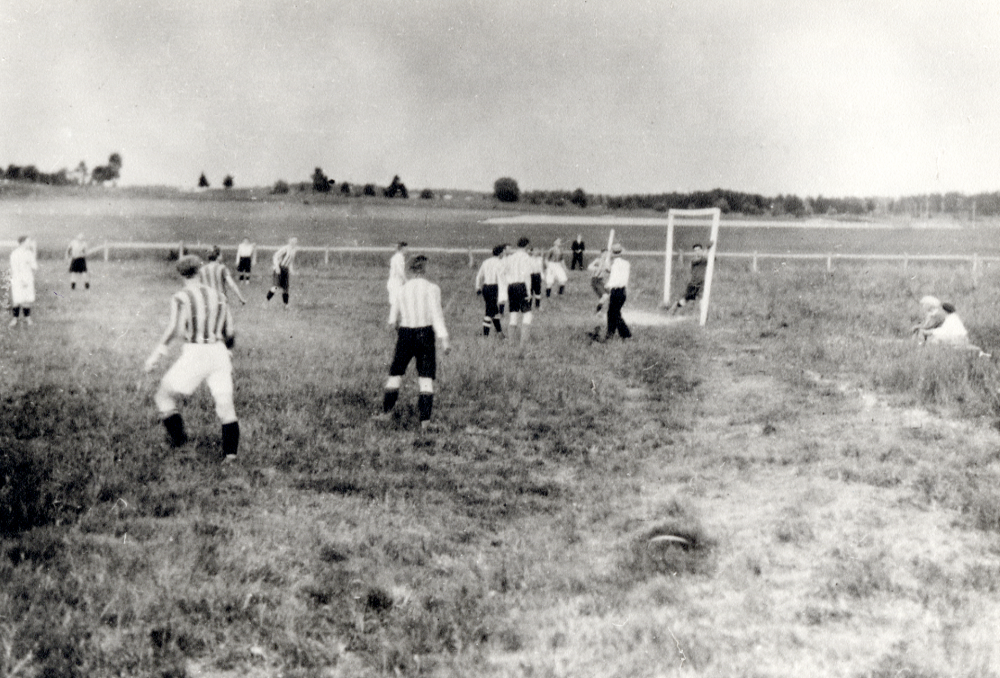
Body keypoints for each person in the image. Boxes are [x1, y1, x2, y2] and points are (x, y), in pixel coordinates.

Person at [143, 255, 240, 459]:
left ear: (180, 274)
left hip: (196, 353)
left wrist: (156, 355)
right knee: (225, 405)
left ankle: (180, 444)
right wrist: (228, 350)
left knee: (163, 395)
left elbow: (174, 329)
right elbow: (230, 330)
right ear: (200, 271)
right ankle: (231, 456)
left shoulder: (181, 297)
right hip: (219, 352)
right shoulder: (219, 295)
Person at [375, 255, 450, 430]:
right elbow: (437, 316)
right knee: (425, 377)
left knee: (395, 374)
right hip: (425, 334)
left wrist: (400, 331)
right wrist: (444, 339)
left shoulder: (401, 289)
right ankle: (425, 423)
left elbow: (392, 320)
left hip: (405, 333)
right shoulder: (432, 288)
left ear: (411, 270)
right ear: (424, 269)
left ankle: (386, 414)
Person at [912, 296, 979, 349]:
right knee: (932, 338)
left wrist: (930, 332)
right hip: (959, 337)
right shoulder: (951, 317)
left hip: (958, 338)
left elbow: (944, 331)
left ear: (944, 311)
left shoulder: (950, 319)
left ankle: (920, 348)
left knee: (934, 340)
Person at [504, 237, 535, 344]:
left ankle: (511, 342)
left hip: (511, 286)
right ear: (527, 246)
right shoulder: (526, 257)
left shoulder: (510, 257)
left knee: (513, 314)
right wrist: (529, 291)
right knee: (527, 315)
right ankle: (524, 342)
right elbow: (527, 275)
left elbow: (505, 272)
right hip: (521, 286)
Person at [667, 243, 710, 315]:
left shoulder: (705, 258)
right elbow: (700, 259)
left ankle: (704, 315)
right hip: (694, 283)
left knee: (702, 298)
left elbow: (712, 259)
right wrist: (707, 249)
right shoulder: (694, 260)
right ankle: (674, 308)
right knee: (685, 299)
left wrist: (708, 252)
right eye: (695, 250)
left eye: (699, 250)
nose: (697, 252)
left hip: (703, 283)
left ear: (701, 250)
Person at [475, 244, 507, 338]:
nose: (504, 254)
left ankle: (500, 333)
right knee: (489, 312)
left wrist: (478, 287)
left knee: (494, 311)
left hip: (485, 288)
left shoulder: (486, 262)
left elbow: (479, 276)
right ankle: (485, 335)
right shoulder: (500, 263)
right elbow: (502, 279)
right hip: (494, 288)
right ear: (500, 253)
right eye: (503, 252)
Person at [602, 243, 631, 341]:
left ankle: (624, 334)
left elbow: (611, 274)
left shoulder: (614, 265)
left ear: (613, 253)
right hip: (623, 292)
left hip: (616, 291)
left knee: (613, 314)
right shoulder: (626, 263)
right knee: (613, 313)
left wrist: (607, 286)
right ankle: (611, 334)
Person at [9, 236, 38, 327]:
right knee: (17, 299)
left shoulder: (29, 253)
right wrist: (22, 280)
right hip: (18, 279)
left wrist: (34, 250)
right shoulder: (15, 254)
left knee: (27, 299)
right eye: (28, 241)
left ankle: (27, 318)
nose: (30, 243)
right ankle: (15, 319)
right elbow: (15, 269)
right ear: (22, 243)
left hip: (28, 278)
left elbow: (34, 266)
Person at [266, 236, 298, 306]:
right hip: (279, 268)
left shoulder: (294, 250)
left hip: (285, 270)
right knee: (275, 287)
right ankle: (266, 302)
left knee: (286, 288)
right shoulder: (285, 248)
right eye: (292, 241)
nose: (294, 242)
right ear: (289, 241)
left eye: (295, 241)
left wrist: (291, 270)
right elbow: (275, 256)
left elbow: (291, 262)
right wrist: (277, 267)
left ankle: (286, 305)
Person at [587, 247, 612, 336]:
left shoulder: (606, 262)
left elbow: (609, 271)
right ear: (601, 254)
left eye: (607, 253)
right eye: (604, 253)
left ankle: (600, 311)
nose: (606, 255)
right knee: (605, 296)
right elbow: (589, 267)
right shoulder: (598, 260)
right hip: (595, 280)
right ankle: (598, 311)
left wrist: (608, 267)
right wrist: (596, 268)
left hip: (601, 281)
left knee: (609, 294)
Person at [387, 241, 408, 322]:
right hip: (395, 282)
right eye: (406, 248)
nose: (407, 250)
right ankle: (392, 321)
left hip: (394, 282)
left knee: (398, 302)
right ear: (402, 249)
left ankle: (395, 321)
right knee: (396, 303)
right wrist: (406, 281)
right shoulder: (399, 257)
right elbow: (400, 271)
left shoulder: (396, 257)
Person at [528, 245, 544, 309]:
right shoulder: (529, 259)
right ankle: (529, 305)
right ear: (532, 252)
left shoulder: (540, 259)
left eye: (537, 250)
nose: (536, 252)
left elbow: (541, 268)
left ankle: (538, 305)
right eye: (535, 250)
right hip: (531, 275)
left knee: (538, 290)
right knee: (530, 290)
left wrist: (542, 276)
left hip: (537, 275)